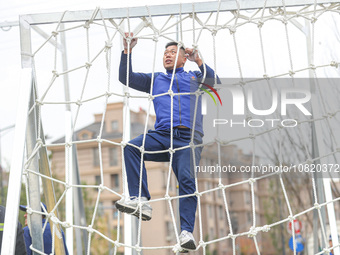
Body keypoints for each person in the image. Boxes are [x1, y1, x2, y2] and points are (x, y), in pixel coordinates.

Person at [116, 33, 219, 251]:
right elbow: (126, 78)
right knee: (132, 147)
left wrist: (199, 61)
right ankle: (141, 200)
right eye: (165, 53)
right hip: (162, 135)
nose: (167, 56)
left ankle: (186, 233)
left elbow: (215, 84)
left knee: (186, 180)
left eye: (173, 52)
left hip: (188, 140)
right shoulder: (155, 79)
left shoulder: (194, 78)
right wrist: (127, 51)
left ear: (184, 58)